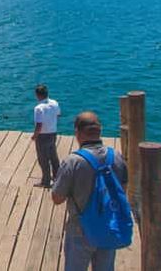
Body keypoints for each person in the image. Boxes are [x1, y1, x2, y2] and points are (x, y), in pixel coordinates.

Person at [51, 112, 128, 271]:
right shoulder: (117, 157)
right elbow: (123, 192)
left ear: (77, 133)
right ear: (100, 131)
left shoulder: (72, 161)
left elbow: (57, 198)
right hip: (109, 226)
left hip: (80, 229)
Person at [32, 84, 61, 187]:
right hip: (53, 133)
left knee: (43, 159)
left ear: (37, 95)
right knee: (53, 156)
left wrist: (35, 136)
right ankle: (57, 177)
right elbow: (58, 115)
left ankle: (46, 181)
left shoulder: (38, 108)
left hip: (42, 136)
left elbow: (39, 125)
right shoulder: (55, 103)